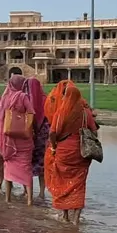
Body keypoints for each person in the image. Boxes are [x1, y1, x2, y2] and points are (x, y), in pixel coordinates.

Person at [44, 80, 98, 225]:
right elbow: (94, 130)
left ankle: (65, 216)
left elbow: (52, 133)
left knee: (62, 182)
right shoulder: (85, 112)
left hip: (64, 151)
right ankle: (76, 219)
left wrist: (54, 147)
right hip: (81, 152)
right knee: (79, 184)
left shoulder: (61, 112)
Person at [0, 74, 34, 206]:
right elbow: (31, 112)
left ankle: (8, 198)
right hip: (23, 138)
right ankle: (29, 200)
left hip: (8, 139)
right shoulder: (22, 96)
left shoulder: (5, 98)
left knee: (9, 169)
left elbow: (0, 118)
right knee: (26, 168)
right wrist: (24, 124)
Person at [24, 77, 50, 200]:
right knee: (41, 166)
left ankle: (26, 192)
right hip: (43, 138)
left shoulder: (26, 100)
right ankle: (41, 192)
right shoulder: (46, 100)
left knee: (26, 165)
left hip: (28, 137)